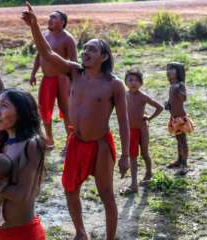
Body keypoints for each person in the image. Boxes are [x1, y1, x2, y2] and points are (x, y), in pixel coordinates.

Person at [22, 3, 130, 239]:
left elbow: (123, 121)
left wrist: (125, 156)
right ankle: (81, 232)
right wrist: (34, 27)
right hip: (76, 143)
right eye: (85, 49)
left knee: (106, 194)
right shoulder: (74, 72)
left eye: (92, 50)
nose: (86, 53)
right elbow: (48, 54)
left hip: (100, 146)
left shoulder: (114, 84)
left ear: (104, 57)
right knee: (70, 189)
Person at [0, 88, 47, 240]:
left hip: (23, 233)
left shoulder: (31, 145)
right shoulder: (5, 144)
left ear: (21, 112)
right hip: (2, 232)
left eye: (4, 106)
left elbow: (21, 195)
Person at [29, 10, 77, 149]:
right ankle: (49, 139)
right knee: (45, 110)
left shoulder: (67, 39)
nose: (49, 19)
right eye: (49, 17)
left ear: (62, 22)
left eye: (54, 17)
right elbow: (39, 56)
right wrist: (33, 73)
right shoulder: (43, 35)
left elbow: (73, 60)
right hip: (47, 79)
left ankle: (70, 139)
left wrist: (74, 81)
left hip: (63, 79)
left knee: (67, 110)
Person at [120, 69, 163, 195]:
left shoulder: (143, 96)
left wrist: (149, 118)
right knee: (133, 157)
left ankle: (149, 173)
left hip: (142, 129)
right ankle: (134, 184)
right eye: (130, 80)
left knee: (144, 153)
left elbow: (159, 107)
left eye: (137, 80)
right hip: (130, 131)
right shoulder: (123, 96)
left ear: (141, 83)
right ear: (126, 82)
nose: (134, 83)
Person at [165, 62, 194, 175]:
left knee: (183, 141)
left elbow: (184, 98)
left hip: (181, 119)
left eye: (172, 69)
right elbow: (173, 100)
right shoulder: (172, 85)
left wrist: (179, 92)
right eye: (168, 69)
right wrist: (168, 104)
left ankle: (185, 164)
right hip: (174, 118)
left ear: (179, 72)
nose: (169, 71)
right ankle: (179, 159)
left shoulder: (180, 85)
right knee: (178, 140)